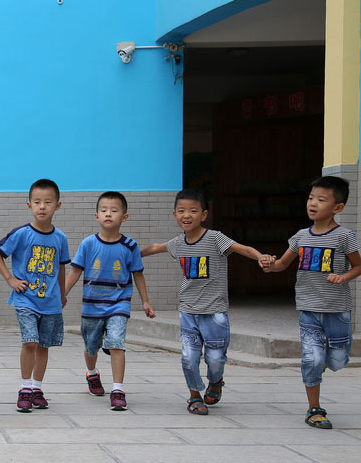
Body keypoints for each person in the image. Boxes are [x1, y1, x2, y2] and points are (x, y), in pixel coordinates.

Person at [141, 189, 271, 415]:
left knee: (216, 359)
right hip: (188, 311)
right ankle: (194, 396)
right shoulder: (178, 243)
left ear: (203, 214)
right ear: (174, 215)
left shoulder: (215, 238)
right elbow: (155, 247)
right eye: (181, 211)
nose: (186, 215)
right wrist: (129, 254)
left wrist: (261, 256)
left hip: (214, 312)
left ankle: (216, 381)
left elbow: (243, 249)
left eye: (193, 211)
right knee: (189, 357)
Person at [262, 176, 360, 429]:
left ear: (337, 207)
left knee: (338, 360)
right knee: (311, 360)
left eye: (321, 199)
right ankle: (314, 409)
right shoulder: (300, 236)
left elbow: (358, 265)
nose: (312, 203)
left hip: (337, 309)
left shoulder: (344, 236)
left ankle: (323, 361)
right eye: (310, 198)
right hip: (308, 307)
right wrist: (270, 265)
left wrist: (342, 277)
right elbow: (282, 264)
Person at [63, 191, 155, 411]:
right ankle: (92, 374)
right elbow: (75, 272)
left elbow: (138, 274)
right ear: (96, 216)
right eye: (103, 210)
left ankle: (118, 390)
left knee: (116, 343)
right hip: (92, 305)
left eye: (114, 210)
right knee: (91, 346)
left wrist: (145, 301)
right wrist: (61, 295)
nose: (108, 214)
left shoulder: (130, 246)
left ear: (124, 217)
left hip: (119, 304)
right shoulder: (88, 244)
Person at [0, 178, 70, 413]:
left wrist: (62, 293)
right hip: (26, 298)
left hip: (51, 301)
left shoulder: (60, 238)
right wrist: (10, 279)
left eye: (48, 202)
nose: (42, 206)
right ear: (29, 205)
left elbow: (61, 267)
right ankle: (24, 388)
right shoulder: (22, 234)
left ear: (58, 205)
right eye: (37, 202)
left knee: (44, 345)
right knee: (30, 341)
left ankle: (37, 388)